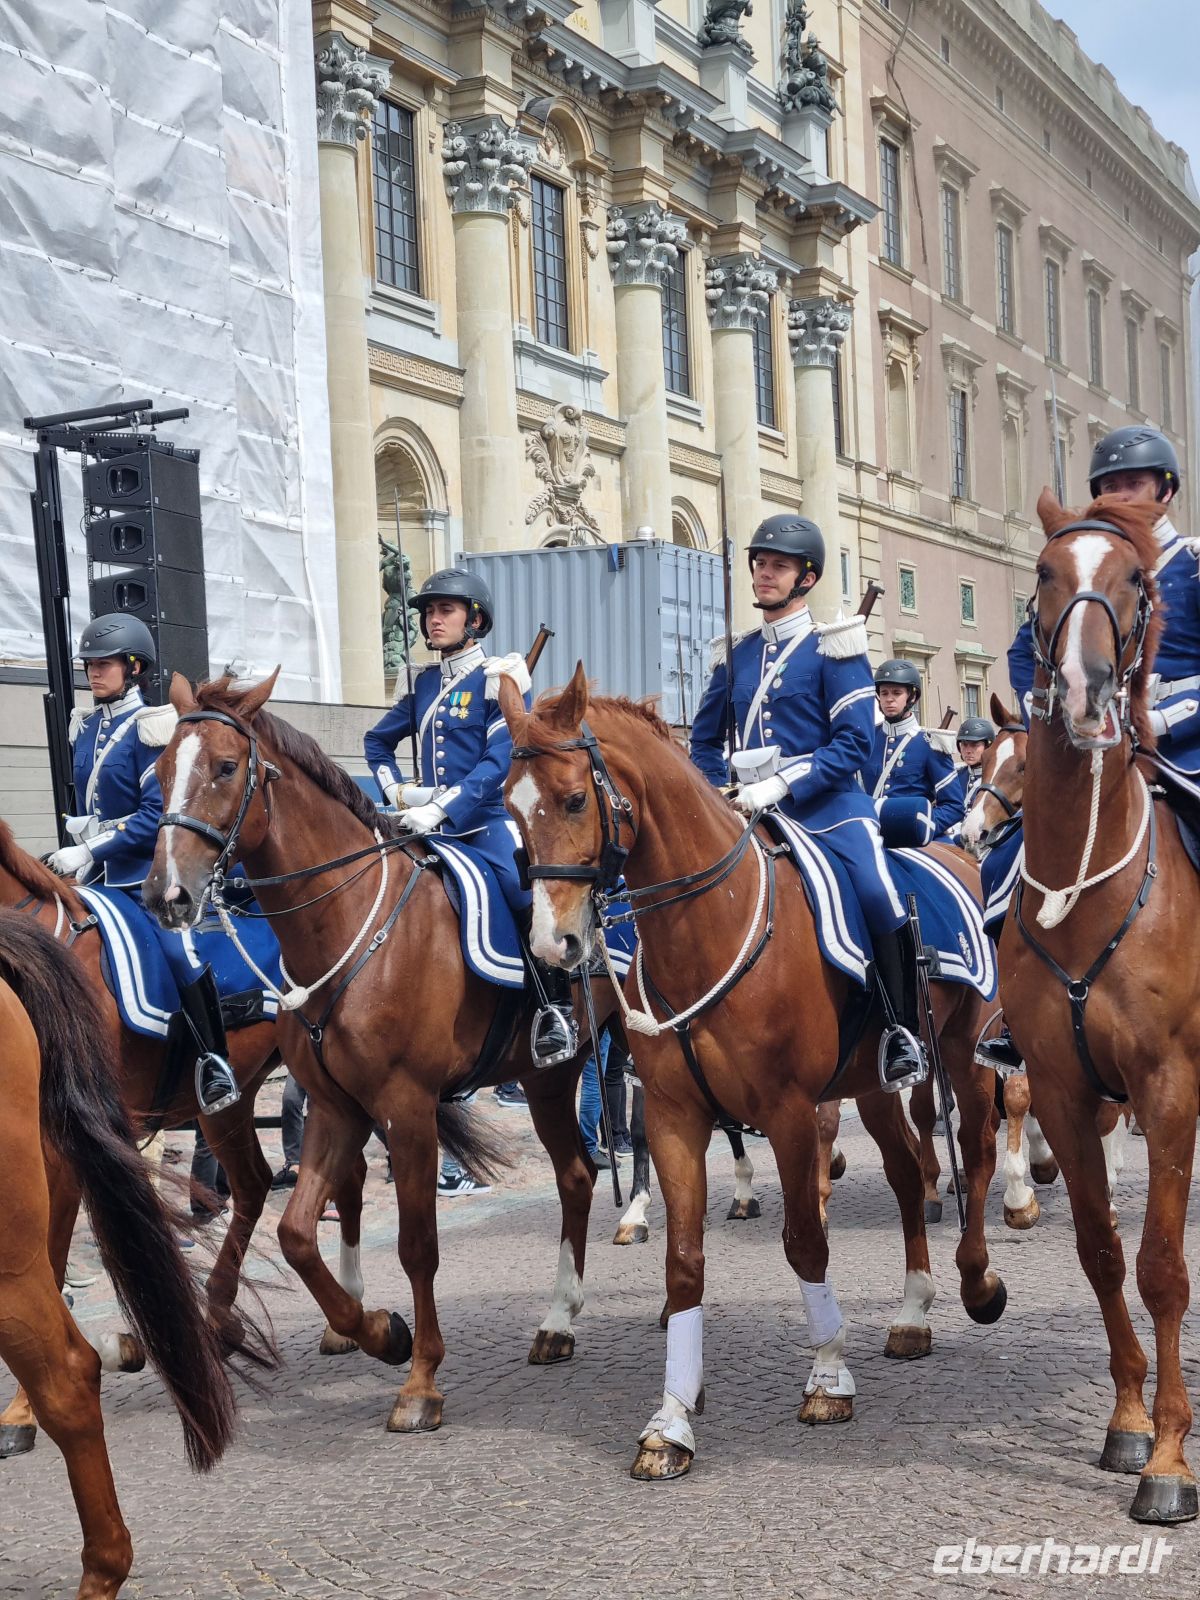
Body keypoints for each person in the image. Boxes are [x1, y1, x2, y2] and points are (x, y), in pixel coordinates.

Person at [690, 515, 929, 1091]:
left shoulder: (836, 650)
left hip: (827, 808)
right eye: (759, 564)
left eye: (777, 566)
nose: (763, 574)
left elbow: (855, 743)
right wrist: (718, 790)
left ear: (807, 578)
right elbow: (702, 740)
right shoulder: (737, 656)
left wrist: (786, 784)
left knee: (876, 891)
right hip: (748, 812)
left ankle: (902, 1031)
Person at [363, 569, 576, 1068]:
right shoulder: (425, 683)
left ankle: (554, 1010)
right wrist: (395, 789)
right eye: (429, 612)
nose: (434, 621)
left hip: (483, 824)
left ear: (474, 620)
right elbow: (376, 742)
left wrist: (441, 806)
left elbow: (498, 761)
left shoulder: (499, 679)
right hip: (424, 826)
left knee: (526, 897)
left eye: (446, 611)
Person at [47, 613, 239, 1114]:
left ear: (134, 668)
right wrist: (82, 828)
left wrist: (91, 847)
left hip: (140, 876)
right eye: (89, 664)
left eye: (105, 664)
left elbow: (156, 814)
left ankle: (215, 1064)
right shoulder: (85, 729)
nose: (94, 673)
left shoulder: (152, 727)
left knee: (180, 953)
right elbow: (100, 804)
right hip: (94, 879)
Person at [862, 660, 964, 846]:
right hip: (870, 836)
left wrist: (921, 825)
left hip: (914, 840)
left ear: (912, 697)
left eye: (897, 693)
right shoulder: (866, 739)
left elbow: (954, 806)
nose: (889, 699)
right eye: (884, 693)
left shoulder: (931, 743)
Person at [952, 717, 996, 815]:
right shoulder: (953, 775)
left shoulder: (996, 779)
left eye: (974, 745)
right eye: (964, 744)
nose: (968, 750)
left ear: (988, 746)